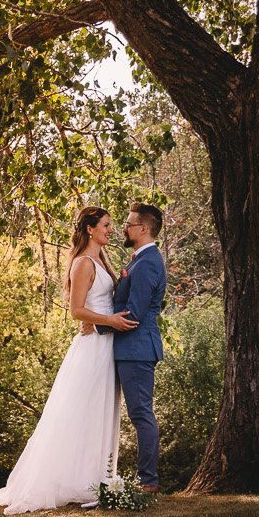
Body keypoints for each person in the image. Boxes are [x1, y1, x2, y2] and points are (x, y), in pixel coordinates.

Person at [0, 206, 137, 514]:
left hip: (106, 344)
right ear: (89, 229)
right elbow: (76, 311)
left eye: (111, 225)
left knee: (102, 410)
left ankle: (100, 477)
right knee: (83, 411)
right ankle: (78, 481)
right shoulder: (83, 263)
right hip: (92, 346)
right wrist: (109, 321)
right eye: (105, 225)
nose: (110, 230)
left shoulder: (102, 259)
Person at [111, 203, 167, 495]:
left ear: (143, 229)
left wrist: (97, 325)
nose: (124, 228)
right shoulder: (138, 260)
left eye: (129, 224)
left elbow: (133, 314)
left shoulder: (147, 263)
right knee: (136, 413)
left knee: (141, 414)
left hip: (137, 348)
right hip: (127, 348)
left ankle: (148, 481)